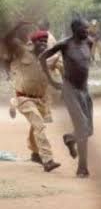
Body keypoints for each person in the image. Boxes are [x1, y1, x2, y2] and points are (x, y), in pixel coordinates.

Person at [39, 18, 94, 178]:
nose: (87, 32)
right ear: (75, 30)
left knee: (88, 130)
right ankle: (82, 168)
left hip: (85, 91)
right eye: (84, 29)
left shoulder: (88, 42)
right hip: (70, 90)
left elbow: (84, 64)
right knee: (83, 128)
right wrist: (52, 81)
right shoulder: (64, 44)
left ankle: (70, 138)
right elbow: (42, 57)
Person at [3, 27, 60, 172]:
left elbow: (62, 70)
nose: (43, 43)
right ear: (32, 43)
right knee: (39, 125)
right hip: (24, 98)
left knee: (35, 126)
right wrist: (17, 26)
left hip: (41, 100)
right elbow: (7, 40)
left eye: (45, 41)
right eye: (40, 40)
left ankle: (35, 154)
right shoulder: (21, 52)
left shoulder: (49, 58)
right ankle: (48, 160)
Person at [38, 19, 62, 123]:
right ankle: (46, 114)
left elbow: (55, 55)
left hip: (46, 67)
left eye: (40, 24)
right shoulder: (46, 37)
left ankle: (47, 114)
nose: (38, 25)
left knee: (45, 92)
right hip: (46, 67)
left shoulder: (48, 38)